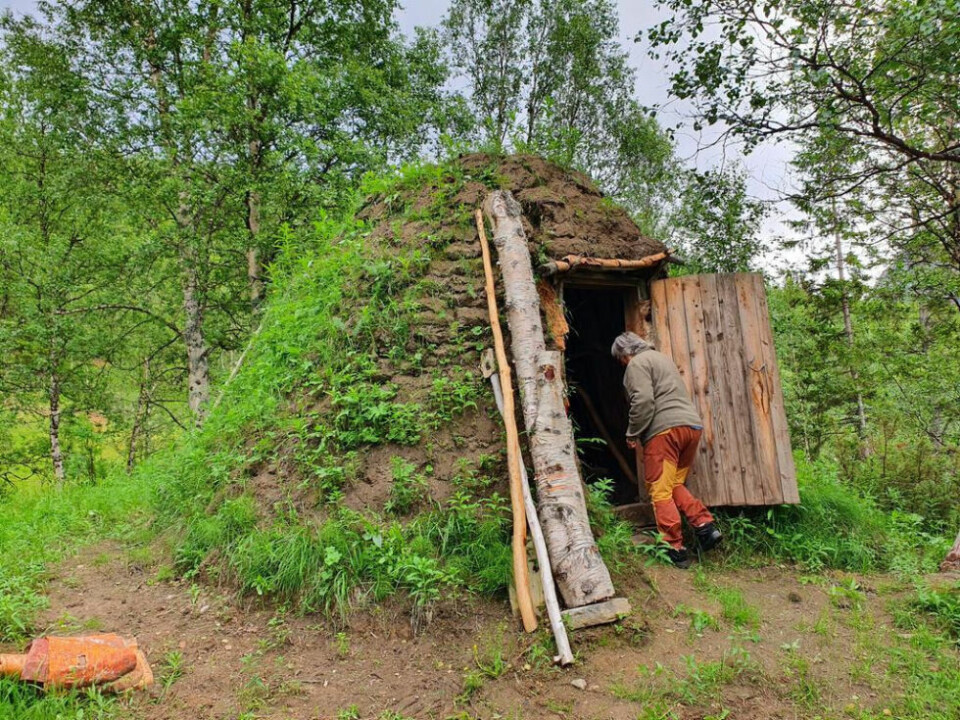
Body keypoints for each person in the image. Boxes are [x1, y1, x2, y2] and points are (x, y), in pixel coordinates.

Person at [611, 331, 722, 568]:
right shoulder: (662, 359)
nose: (622, 364)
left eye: (620, 360)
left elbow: (643, 401)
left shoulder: (636, 364)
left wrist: (632, 433)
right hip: (691, 427)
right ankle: (704, 526)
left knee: (659, 491)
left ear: (625, 353)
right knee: (672, 485)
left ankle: (675, 547)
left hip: (664, 433)